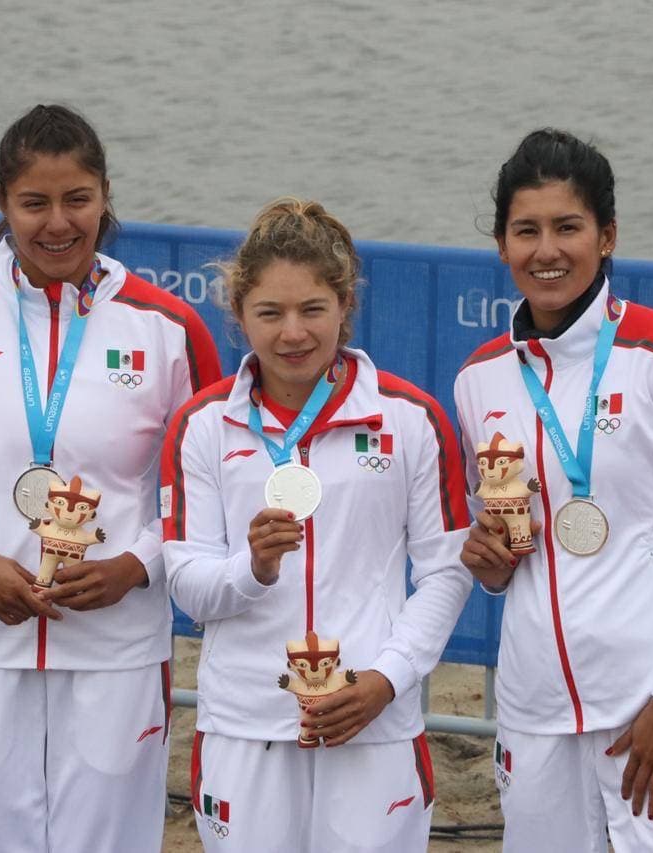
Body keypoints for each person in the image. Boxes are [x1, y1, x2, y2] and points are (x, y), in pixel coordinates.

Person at [0, 103, 222, 852]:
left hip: (115, 644)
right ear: (3, 203)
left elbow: (204, 494)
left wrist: (137, 565)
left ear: (105, 196)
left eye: (78, 199)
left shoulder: (170, 329)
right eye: (34, 202)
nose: (58, 223)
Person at [455, 128, 653, 852]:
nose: (547, 251)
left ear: (608, 235)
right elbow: (505, 547)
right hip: (536, 713)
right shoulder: (479, 378)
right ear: (501, 244)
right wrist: (490, 562)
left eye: (568, 227)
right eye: (526, 230)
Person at [161, 197, 473, 852]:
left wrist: (387, 679)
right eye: (270, 312)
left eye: (312, 309)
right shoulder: (203, 425)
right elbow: (187, 584)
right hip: (246, 721)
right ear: (238, 311)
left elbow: (446, 573)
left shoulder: (411, 419)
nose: (293, 333)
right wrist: (252, 569)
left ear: (344, 304)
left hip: (371, 717)